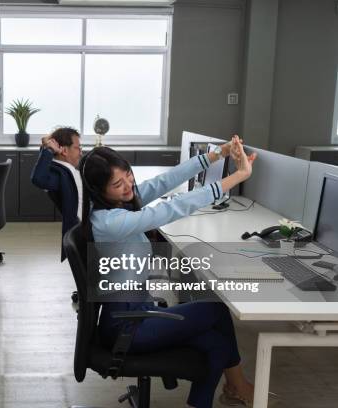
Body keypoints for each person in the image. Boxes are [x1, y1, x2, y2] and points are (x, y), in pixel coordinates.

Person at [80, 136, 262, 408]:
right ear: (98, 191)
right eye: (117, 184)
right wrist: (237, 176)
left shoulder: (118, 204)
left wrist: (218, 154)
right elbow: (170, 209)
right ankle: (239, 387)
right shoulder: (108, 222)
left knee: (215, 342)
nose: (128, 186)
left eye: (128, 176)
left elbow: (164, 182)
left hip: (137, 309)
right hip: (125, 326)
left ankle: (226, 392)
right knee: (217, 310)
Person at [31, 127, 83, 261]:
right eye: (78, 148)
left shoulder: (66, 169)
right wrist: (48, 150)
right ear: (64, 151)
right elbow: (38, 179)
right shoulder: (58, 173)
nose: (81, 153)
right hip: (84, 229)